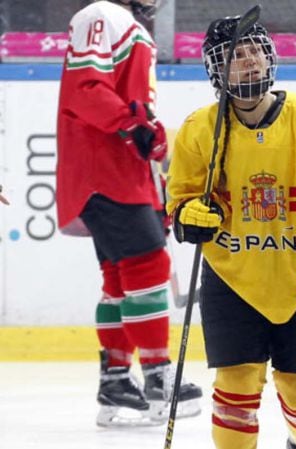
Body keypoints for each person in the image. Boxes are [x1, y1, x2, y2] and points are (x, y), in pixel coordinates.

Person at [166, 13, 296, 449]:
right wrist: (189, 217)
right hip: (233, 277)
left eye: (255, 50)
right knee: (235, 388)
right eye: (236, 55)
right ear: (217, 69)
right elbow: (181, 198)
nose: (249, 61)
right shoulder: (200, 129)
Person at [55, 0, 202, 427]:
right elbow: (86, 87)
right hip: (105, 168)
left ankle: (117, 382)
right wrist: (130, 122)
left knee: (121, 277)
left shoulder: (119, 20)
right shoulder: (102, 13)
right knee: (147, 265)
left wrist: (142, 132)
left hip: (116, 168)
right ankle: (158, 379)